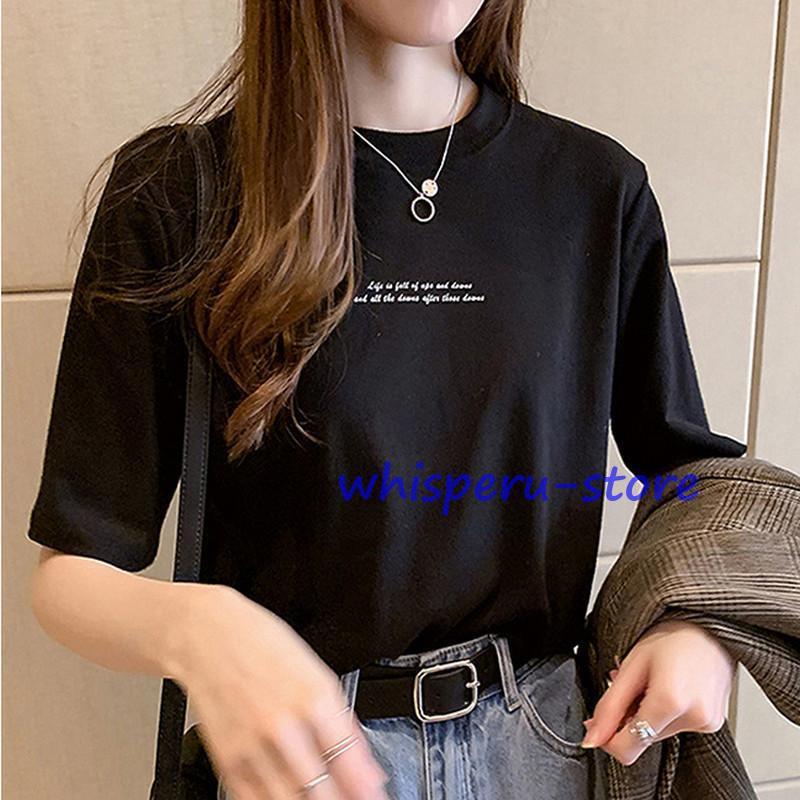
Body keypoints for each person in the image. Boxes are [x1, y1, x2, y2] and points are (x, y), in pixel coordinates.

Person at [26, 2, 748, 799]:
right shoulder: (178, 192)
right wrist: (202, 630)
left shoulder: (594, 188)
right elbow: (71, 571)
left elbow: (691, 473)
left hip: (552, 751)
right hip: (308, 762)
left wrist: (697, 624)